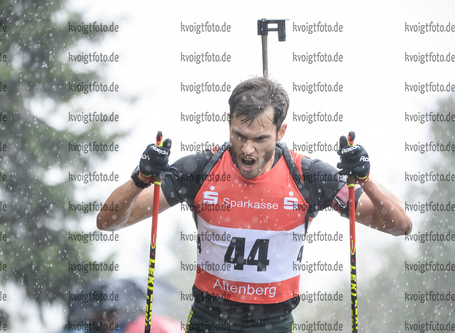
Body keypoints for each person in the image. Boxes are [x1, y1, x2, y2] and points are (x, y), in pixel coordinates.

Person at [97, 77, 412, 332]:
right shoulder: (199, 169)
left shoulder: (307, 175)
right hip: (210, 322)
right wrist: (141, 177)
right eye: (239, 135)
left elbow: (400, 226)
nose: (247, 149)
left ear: (281, 132)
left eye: (260, 139)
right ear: (229, 123)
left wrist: (365, 178)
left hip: (273, 325)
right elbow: (109, 221)